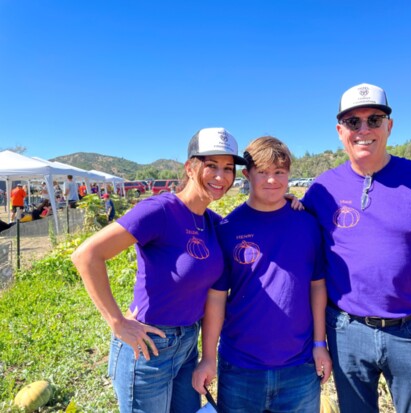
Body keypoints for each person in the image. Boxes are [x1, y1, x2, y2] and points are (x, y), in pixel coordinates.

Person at [301, 83, 411, 413]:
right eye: (353, 122)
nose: (364, 129)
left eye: (374, 119)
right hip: (346, 331)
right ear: (340, 131)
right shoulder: (321, 189)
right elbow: (297, 241)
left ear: (389, 126)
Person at [71, 127, 247, 413]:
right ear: (190, 167)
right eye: (211, 165)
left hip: (188, 346)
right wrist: (116, 322)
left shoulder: (212, 222)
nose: (221, 176)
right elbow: (87, 255)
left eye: (228, 168)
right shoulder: (160, 210)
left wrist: (288, 202)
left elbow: (253, 227)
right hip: (148, 348)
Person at [192, 136, 332, 412]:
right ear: (247, 174)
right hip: (240, 367)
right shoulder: (228, 227)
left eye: (279, 172)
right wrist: (208, 356)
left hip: (300, 366)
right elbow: (217, 298)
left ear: (289, 174)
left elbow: (317, 286)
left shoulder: (307, 223)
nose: (272, 180)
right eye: (263, 172)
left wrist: (319, 343)